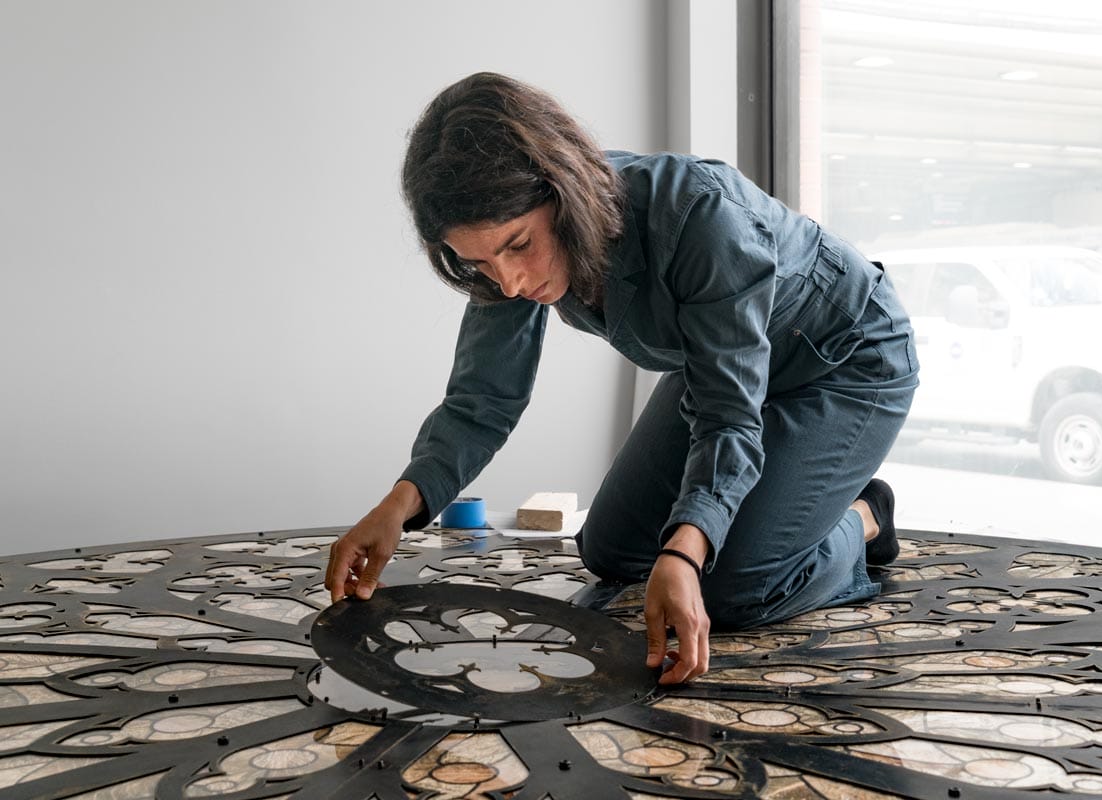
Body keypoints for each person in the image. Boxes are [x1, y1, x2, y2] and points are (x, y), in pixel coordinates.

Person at [324, 72, 919, 685]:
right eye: (478, 262)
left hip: (846, 361)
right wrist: (397, 506)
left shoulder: (703, 215)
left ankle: (864, 516)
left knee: (730, 588)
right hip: (723, 366)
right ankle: (797, 501)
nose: (508, 283)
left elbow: (727, 416)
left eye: (519, 246)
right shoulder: (505, 261)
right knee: (610, 550)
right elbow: (483, 398)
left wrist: (687, 551)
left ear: (565, 193)